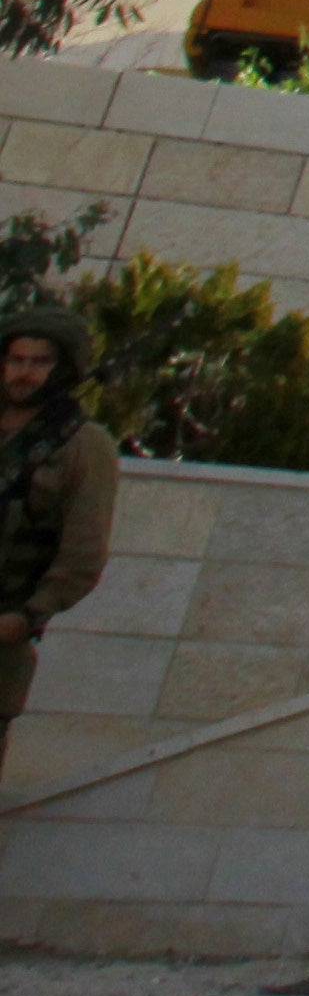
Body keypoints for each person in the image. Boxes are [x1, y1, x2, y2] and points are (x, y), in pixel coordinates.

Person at [0, 298, 120, 788]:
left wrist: (29, 614)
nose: (24, 373)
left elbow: (83, 554)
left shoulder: (82, 445)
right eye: (15, 359)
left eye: (40, 362)